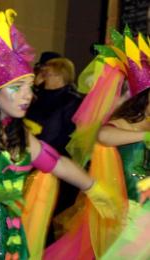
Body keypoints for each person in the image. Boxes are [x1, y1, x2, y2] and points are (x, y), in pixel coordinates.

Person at [0, 7, 115, 260]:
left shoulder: (20, 135)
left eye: (30, 87)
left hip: (12, 243)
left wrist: (94, 188)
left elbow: (57, 163)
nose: (28, 95)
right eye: (17, 88)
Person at [44, 26, 150, 260]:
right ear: (144, 99)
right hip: (125, 214)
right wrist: (144, 136)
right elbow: (104, 136)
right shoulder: (124, 123)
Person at [25, 57, 83, 246]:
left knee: (48, 216)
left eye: (47, 73)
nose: (42, 76)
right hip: (30, 160)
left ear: (59, 75)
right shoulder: (35, 96)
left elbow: (61, 133)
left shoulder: (72, 100)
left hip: (56, 163)